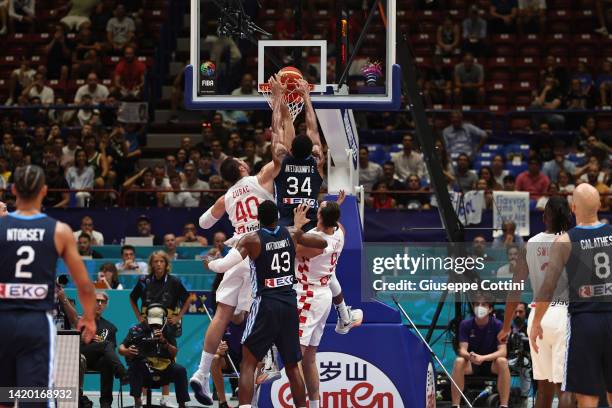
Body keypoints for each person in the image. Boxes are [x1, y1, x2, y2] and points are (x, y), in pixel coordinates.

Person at [190, 76, 306, 404]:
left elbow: (202, 222)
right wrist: (280, 107)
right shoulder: (257, 178)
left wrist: (222, 205)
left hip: (237, 248)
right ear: (242, 166)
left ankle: (201, 372)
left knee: (226, 314)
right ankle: (267, 360)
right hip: (260, 246)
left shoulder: (226, 196)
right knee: (266, 303)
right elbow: (282, 154)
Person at [206, 201, 328, 407]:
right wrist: (310, 233)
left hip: (266, 303)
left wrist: (208, 261)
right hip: (290, 303)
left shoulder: (252, 239)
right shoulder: (291, 233)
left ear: (258, 218)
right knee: (291, 366)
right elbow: (321, 243)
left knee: (248, 363)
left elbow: (222, 266)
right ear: (277, 216)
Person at [0, 165, 96, 397]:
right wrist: (90, 318)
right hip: (35, 323)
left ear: (13, 190)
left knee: (3, 395)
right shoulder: (59, 231)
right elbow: (84, 285)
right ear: (44, 191)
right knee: (34, 397)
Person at [530, 183, 612, 407]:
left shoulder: (565, 241)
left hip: (584, 322)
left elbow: (548, 287)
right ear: (601, 205)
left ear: (574, 207)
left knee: (586, 395)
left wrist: (536, 322)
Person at [498, 196, 573, 408]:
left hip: (537, 318)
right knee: (564, 389)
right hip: (563, 315)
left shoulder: (531, 244)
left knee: (543, 389)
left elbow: (515, 289)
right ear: (569, 216)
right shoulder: (571, 241)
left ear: (543, 217)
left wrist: (505, 327)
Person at [294, 195, 362, 407]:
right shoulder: (340, 232)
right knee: (310, 360)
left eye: (320, 208)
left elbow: (293, 249)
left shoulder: (317, 244)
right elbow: (334, 219)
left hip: (307, 296)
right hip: (322, 295)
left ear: (320, 217)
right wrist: (334, 208)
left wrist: (297, 226)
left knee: (296, 357)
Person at [274, 79, 325, 232]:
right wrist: (306, 97)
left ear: (290, 150)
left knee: (286, 121)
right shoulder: (317, 161)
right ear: (311, 151)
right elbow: (313, 130)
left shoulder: (281, 159)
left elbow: (277, 128)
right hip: (311, 223)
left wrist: (277, 96)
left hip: (286, 222)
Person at [62, 290, 127, 408]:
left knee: (108, 359)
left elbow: (111, 351)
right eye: (97, 301)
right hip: (81, 355)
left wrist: (102, 344)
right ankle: (122, 372)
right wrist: (86, 338)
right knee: (106, 345)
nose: (100, 304)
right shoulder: (81, 320)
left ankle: (105, 403)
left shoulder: (110, 327)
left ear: (106, 304)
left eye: (103, 301)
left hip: (98, 361)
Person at [119, 305, 190, 408]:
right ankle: (138, 402)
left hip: (165, 369)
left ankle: (182, 404)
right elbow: (121, 348)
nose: (155, 324)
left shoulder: (168, 330)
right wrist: (127, 351)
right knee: (135, 367)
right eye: (152, 320)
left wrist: (164, 342)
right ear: (146, 317)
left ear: (164, 319)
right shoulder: (136, 329)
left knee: (180, 370)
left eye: (158, 321)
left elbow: (174, 353)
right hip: (145, 369)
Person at [451, 293, 511, 408]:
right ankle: (455, 405)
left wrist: (483, 358)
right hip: (472, 363)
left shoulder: (498, 325)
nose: (480, 307)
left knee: (502, 361)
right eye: (477, 304)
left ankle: (504, 405)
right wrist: (470, 356)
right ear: (473, 308)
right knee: (459, 361)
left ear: (490, 309)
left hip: (491, 364)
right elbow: (462, 350)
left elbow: (503, 351)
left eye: (484, 305)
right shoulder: (465, 324)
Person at [129, 251, 193, 336]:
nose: (159, 264)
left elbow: (188, 299)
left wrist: (178, 317)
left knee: (169, 348)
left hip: (167, 323)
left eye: (162, 261)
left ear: (166, 264)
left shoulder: (174, 281)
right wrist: (139, 317)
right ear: (151, 264)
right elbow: (132, 298)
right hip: (147, 323)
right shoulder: (143, 281)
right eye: (156, 261)